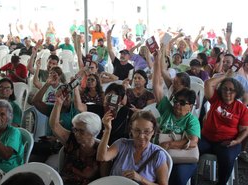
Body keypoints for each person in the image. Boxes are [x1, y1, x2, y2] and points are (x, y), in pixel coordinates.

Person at [153, 48, 200, 185]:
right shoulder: (167, 109)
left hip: (182, 159)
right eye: (176, 101)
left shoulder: (192, 120)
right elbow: (156, 85)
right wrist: (157, 61)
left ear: (190, 106)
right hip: (161, 153)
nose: (177, 105)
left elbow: (193, 142)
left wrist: (170, 144)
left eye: (182, 103)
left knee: (177, 178)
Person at [200, 73, 248, 185]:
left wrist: (236, 141)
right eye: (225, 89)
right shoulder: (216, 99)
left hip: (228, 142)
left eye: (231, 90)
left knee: (227, 158)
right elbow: (208, 83)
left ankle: (221, 183)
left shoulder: (241, 109)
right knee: (191, 150)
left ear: (237, 92)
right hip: (207, 139)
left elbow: (245, 130)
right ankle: (192, 180)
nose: (227, 92)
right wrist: (226, 76)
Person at [97, 111, 168, 185]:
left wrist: (141, 179)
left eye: (146, 131)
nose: (141, 136)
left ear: (153, 131)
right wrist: (107, 130)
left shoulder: (158, 155)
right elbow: (101, 157)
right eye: (137, 130)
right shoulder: (122, 144)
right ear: (131, 130)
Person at [49, 100, 110, 184]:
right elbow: (54, 125)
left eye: (81, 131)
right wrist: (58, 103)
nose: (76, 134)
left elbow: (105, 181)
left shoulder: (102, 151)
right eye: (75, 129)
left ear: (93, 132)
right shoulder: (72, 141)